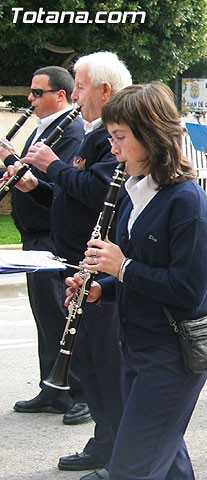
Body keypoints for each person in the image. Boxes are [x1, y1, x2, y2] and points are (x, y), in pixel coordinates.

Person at [63, 81, 207, 480]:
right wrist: (104, 287)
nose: (112, 148)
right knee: (168, 467)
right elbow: (147, 270)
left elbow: (188, 291)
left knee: (131, 470)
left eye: (119, 137)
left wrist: (121, 268)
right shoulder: (138, 193)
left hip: (170, 358)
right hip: (138, 348)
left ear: (151, 136)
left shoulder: (188, 204)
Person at [11, 51, 132, 477]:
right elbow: (72, 194)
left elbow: (100, 190)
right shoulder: (94, 133)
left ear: (103, 90)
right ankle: (106, 439)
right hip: (74, 259)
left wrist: (54, 166)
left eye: (79, 87)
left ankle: (114, 446)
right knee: (87, 359)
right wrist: (36, 185)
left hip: (98, 264)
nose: (75, 96)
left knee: (102, 362)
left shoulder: (111, 136)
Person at [0, 66, 86, 424]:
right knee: (46, 314)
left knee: (62, 314)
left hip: (53, 233)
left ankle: (79, 392)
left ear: (60, 95)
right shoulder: (45, 126)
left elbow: (54, 180)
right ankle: (52, 387)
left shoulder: (71, 131)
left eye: (37, 93)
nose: (31, 100)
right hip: (34, 231)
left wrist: (7, 157)